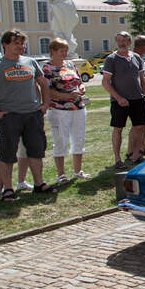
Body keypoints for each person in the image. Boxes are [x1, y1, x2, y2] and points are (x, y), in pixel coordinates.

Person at [0, 29, 55, 202]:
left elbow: (43, 84)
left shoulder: (31, 62)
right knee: (7, 153)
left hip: (32, 114)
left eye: (22, 43)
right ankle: (8, 189)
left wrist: (45, 104)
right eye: (16, 43)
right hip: (9, 115)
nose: (21, 46)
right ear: (5, 44)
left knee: (36, 150)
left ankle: (39, 184)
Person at [43, 38, 90, 184]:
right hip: (59, 109)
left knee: (78, 138)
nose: (64, 53)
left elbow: (79, 83)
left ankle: (78, 171)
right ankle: (61, 174)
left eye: (65, 50)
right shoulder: (47, 68)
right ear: (52, 52)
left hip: (78, 107)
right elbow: (47, 90)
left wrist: (81, 90)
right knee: (60, 140)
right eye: (61, 51)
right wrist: (66, 96)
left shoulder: (70, 64)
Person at [102, 31, 145, 170]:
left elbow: (142, 79)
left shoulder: (136, 57)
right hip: (120, 101)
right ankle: (117, 159)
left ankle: (135, 155)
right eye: (119, 40)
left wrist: (144, 95)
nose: (121, 43)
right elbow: (105, 82)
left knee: (139, 127)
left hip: (137, 99)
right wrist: (118, 98)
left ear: (129, 42)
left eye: (124, 40)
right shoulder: (111, 59)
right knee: (118, 129)